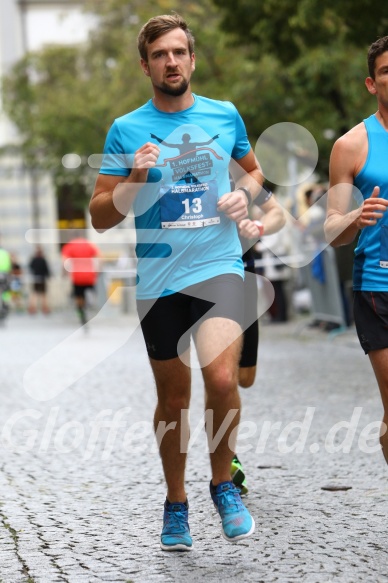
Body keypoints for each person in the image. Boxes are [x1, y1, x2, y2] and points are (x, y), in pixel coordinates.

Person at [89, 13, 285, 551]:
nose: (171, 62)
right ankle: (176, 502)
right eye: (160, 54)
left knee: (221, 382)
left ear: (192, 60)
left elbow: (255, 176)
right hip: (159, 280)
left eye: (179, 52)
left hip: (220, 266)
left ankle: (224, 484)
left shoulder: (224, 116)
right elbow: (101, 215)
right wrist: (133, 178)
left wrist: (243, 197)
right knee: (173, 400)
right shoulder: (127, 129)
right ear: (145, 64)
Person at [324, 36, 388, 465]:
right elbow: (332, 230)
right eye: (387, 72)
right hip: (378, 287)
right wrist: (355, 217)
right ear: (372, 83)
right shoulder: (351, 145)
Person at [231, 190, 286, 496]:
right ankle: (227, 458)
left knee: (244, 378)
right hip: (199, 278)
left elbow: (277, 213)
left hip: (244, 278)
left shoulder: (241, 171)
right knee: (221, 376)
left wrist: (259, 227)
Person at [61, 236, 100, 326]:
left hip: (77, 276)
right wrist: (97, 270)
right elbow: (99, 257)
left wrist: (64, 273)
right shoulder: (89, 244)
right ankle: (88, 305)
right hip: (89, 275)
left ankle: (81, 312)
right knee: (89, 291)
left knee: (78, 295)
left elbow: (64, 261)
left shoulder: (69, 246)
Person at [28, 246, 51, 314]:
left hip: (36, 278)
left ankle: (34, 308)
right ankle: (43, 308)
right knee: (42, 294)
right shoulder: (43, 260)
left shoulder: (34, 259)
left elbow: (30, 267)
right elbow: (47, 270)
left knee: (36, 293)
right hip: (42, 278)